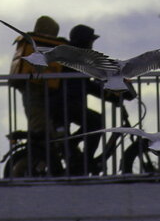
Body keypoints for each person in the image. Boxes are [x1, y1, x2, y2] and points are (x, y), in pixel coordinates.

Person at [52, 23, 128, 174]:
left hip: (65, 103)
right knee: (96, 122)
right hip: (65, 103)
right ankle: (86, 161)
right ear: (84, 42)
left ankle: (73, 149)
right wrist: (112, 95)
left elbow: (88, 84)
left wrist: (108, 93)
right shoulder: (77, 58)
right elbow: (88, 85)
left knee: (91, 123)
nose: (92, 45)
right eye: (90, 41)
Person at [8, 14, 66, 174]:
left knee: (47, 139)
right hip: (34, 98)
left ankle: (40, 169)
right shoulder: (35, 47)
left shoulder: (33, 47)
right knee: (41, 137)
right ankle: (19, 173)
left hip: (39, 97)